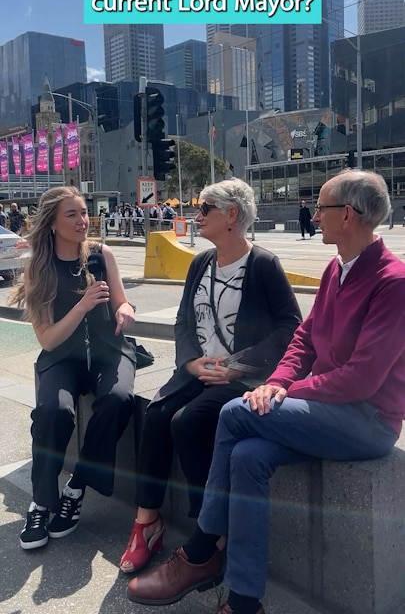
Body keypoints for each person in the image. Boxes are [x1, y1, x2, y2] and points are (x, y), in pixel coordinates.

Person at [127, 170, 405, 614]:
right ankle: (243, 600)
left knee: (235, 412)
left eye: (322, 208)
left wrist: (282, 391)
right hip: (324, 410)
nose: (314, 215)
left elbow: (361, 379)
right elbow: (305, 339)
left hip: (367, 420)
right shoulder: (338, 268)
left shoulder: (392, 281)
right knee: (246, 457)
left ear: (347, 216)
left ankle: (200, 551)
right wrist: (277, 382)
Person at [120, 177, 302, 575]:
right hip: (197, 372)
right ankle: (147, 520)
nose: (196, 216)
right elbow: (184, 319)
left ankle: (210, 528)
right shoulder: (201, 262)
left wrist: (239, 365)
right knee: (156, 416)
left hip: (239, 379)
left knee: (189, 423)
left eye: (205, 209)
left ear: (232, 215)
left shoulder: (263, 265)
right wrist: (189, 363)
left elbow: (291, 327)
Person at [8, 186, 137, 551]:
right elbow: (47, 340)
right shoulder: (38, 268)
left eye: (83, 212)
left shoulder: (101, 254)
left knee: (117, 399)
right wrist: (81, 306)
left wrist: (125, 311)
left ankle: (77, 486)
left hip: (110, 353)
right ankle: (41, 502)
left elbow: (122, 302)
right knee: (53, 411)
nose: (83, 221)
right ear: (51, 223)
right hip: (62, 358)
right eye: (72, 214)